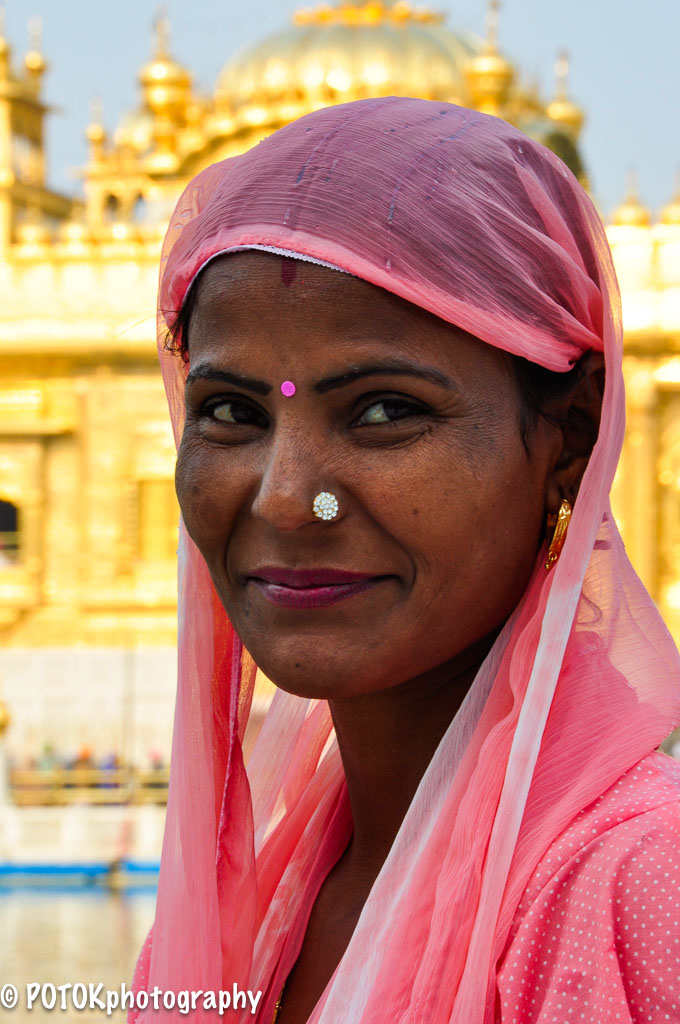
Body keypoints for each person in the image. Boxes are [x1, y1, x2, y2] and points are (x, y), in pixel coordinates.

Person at [130, 98, 680, 1023]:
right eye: (233, 412)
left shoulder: (630, 885)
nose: (284, 498)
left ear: (570, 434)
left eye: (385, 411)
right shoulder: (287, 882)